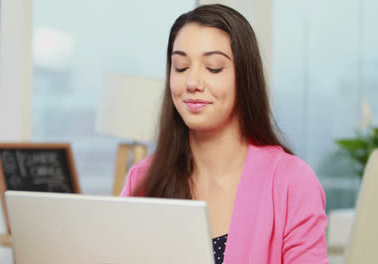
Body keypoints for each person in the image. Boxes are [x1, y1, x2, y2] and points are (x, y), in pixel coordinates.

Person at [119, 4, 328, 264]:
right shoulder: (142, 179)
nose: (192, 83)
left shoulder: (291, 182)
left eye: (214, 68)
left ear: (245, 77)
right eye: (181, 67)